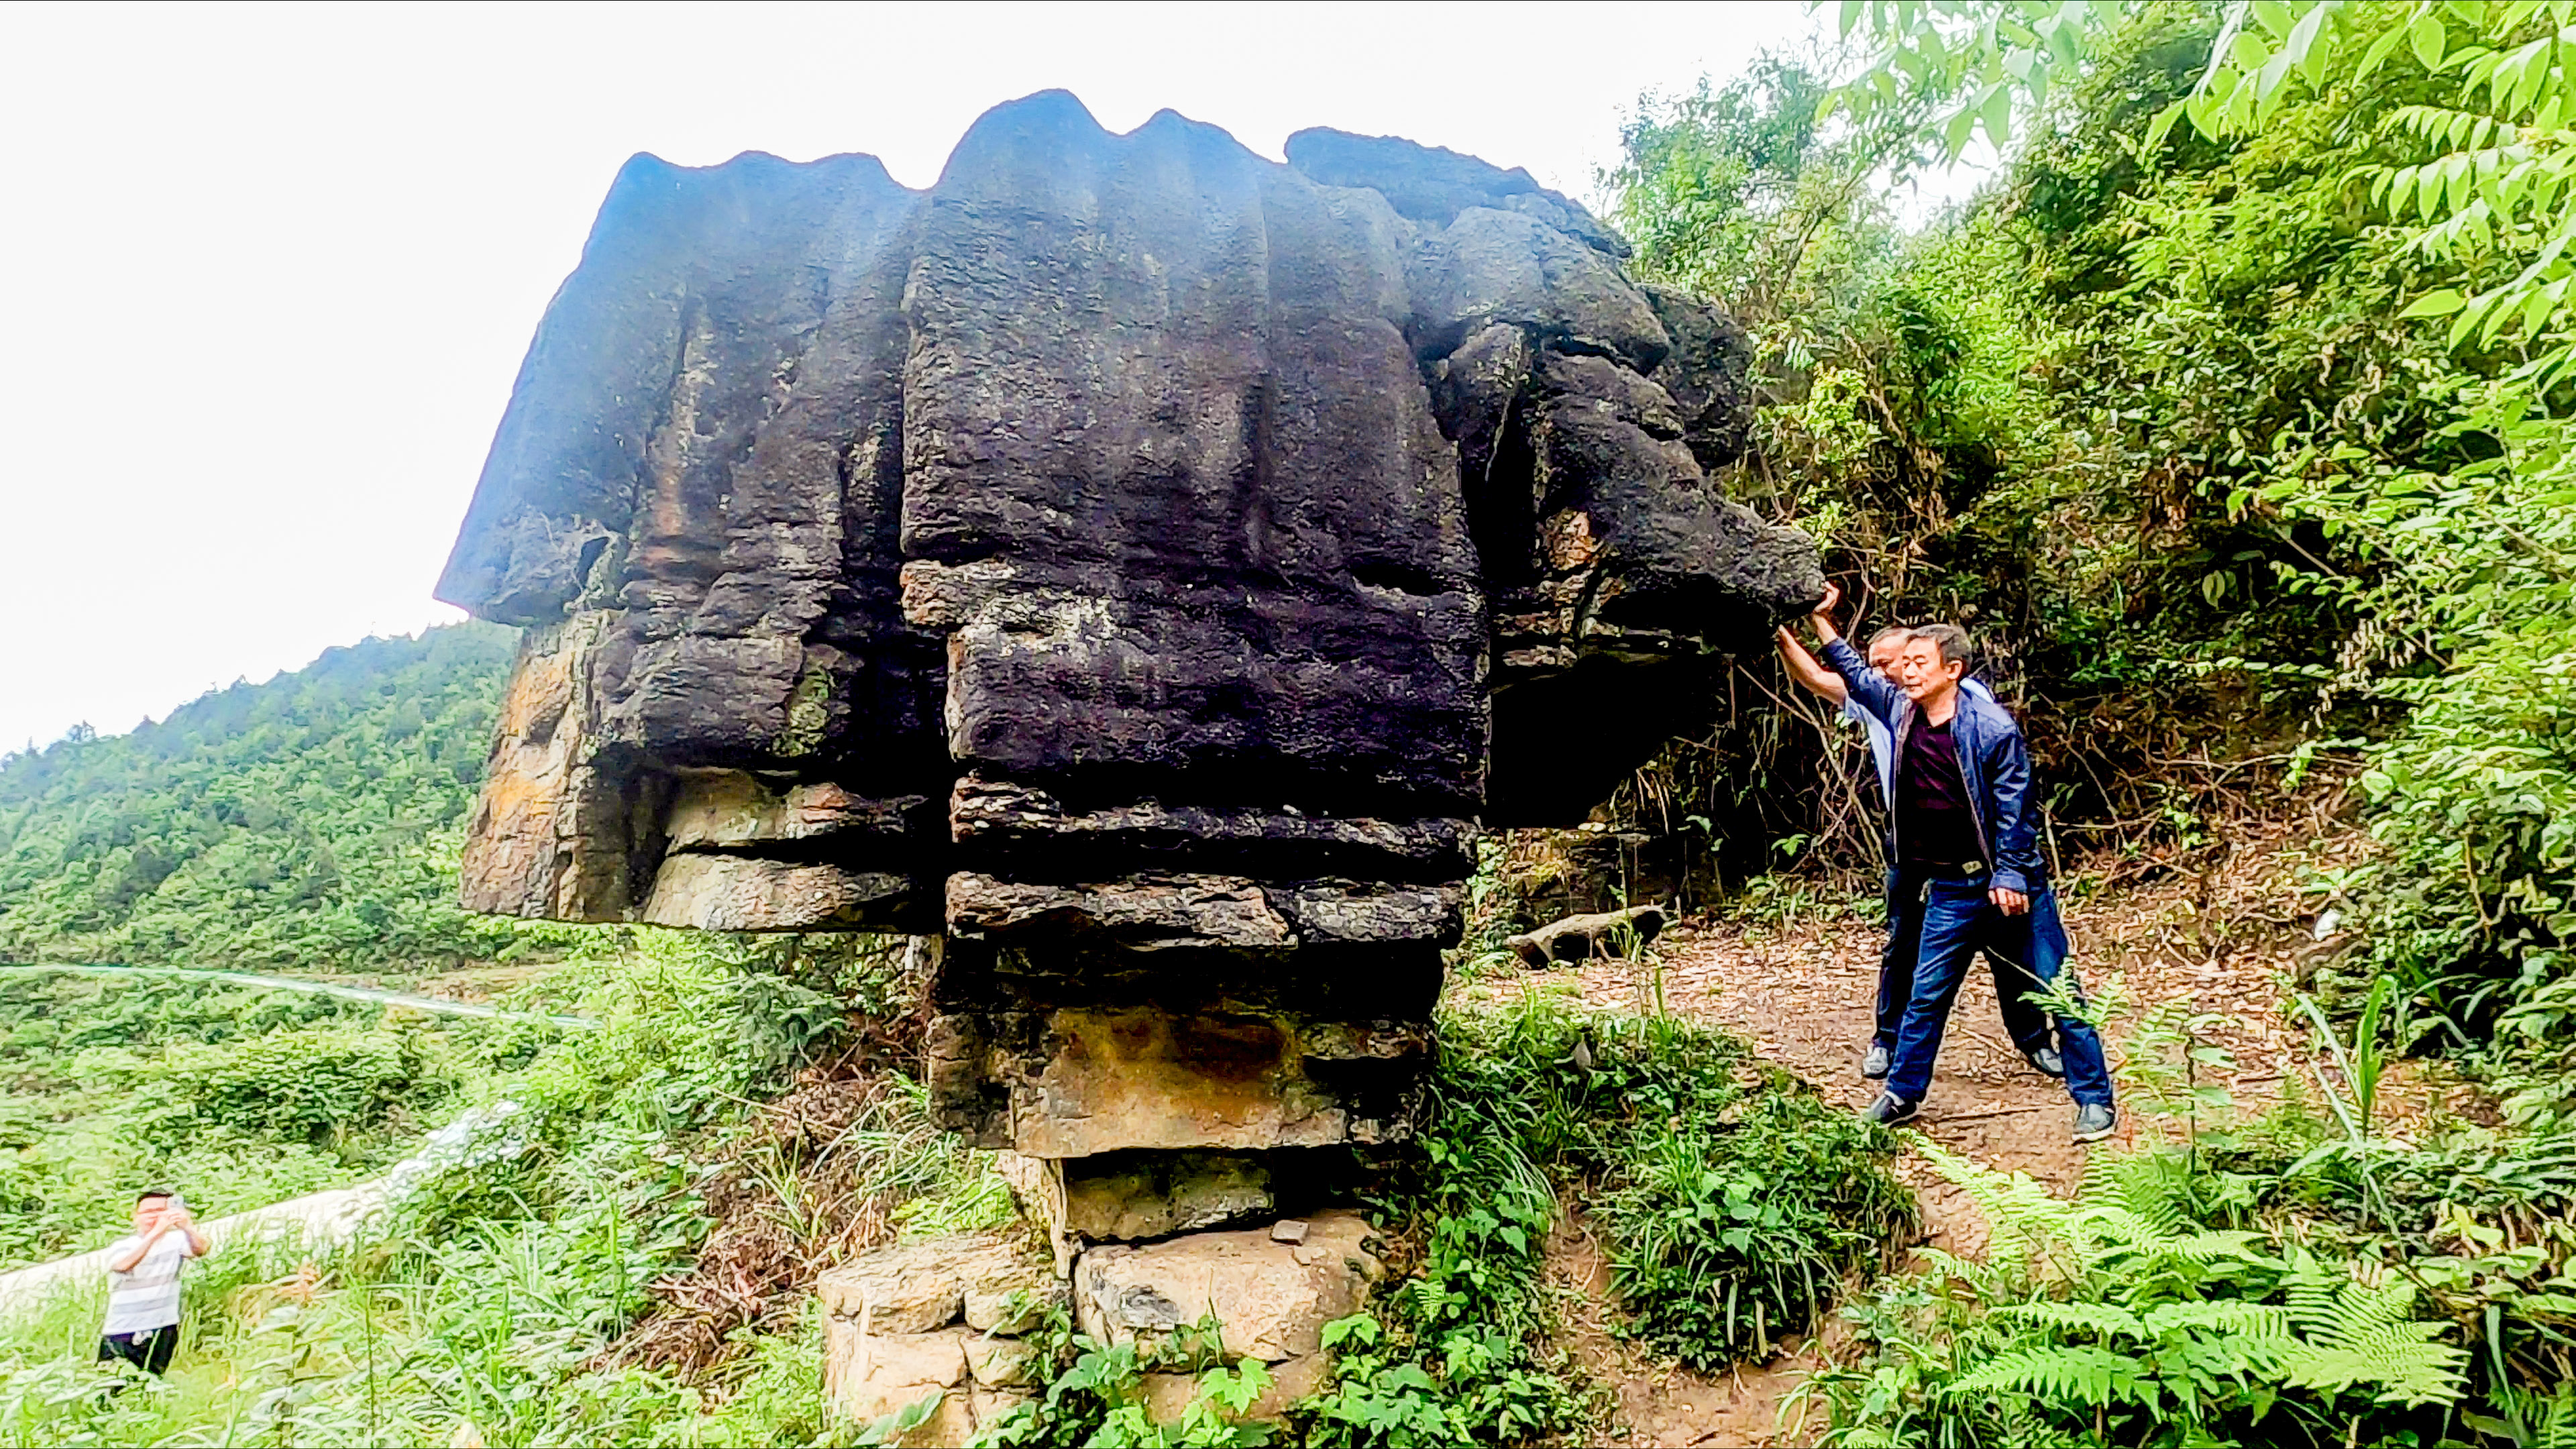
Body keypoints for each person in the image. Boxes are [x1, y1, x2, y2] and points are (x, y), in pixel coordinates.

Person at [1804, 588, 2118, 1144]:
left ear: (1953, 671)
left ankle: (2094, 1100)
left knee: (2057, 987)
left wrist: (2011, 874)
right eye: (1904, 665)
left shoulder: (1992, 729)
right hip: (1949, 888)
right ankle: (1901, 1096)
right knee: (1926, 995)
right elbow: (1854, 672)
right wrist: (1822, 622)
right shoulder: (1901, 709)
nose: (1906, 672)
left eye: (1918, 663)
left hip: (2010, 887)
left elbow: (2016, 807)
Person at [1776, 621, 2063, 1084]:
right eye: (1884, 667)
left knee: (2010, 955)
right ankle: (1888, 1046)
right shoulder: (1884, 702)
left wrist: (2008, 867)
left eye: (1900, 662)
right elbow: (1822, 675)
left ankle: (2033, 1039)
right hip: (1912, 853)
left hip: (1979, 859)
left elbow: (2012, 795)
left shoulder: (1972, 708)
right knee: (1905, 948)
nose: (1893, 673)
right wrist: (1787, 628)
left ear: (1937, 663)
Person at [99, 1189, 206, 1377]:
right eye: (148, 1212)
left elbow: (201, 1249)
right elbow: (123, 1265)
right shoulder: (123, 1245)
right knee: (111, 1387)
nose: (155, 1216)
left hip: (164, 1326)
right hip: (122, 1329)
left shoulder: (177, 1241)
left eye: (161, 1211)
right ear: (135, 1217)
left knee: (153, 1381)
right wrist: (156, 1233)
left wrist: (188, 1226)